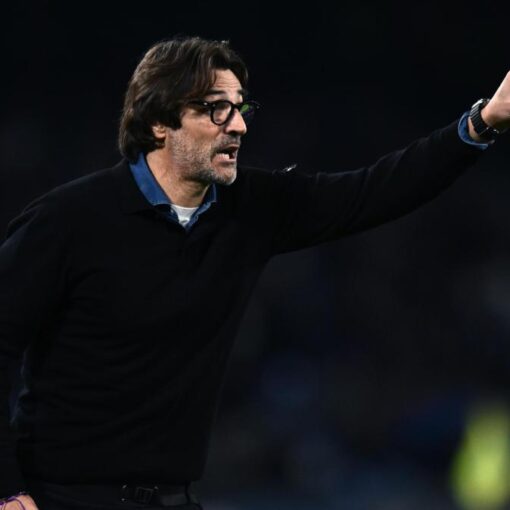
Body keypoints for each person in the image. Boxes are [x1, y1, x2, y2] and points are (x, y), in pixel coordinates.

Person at [0, 35, 509, 510]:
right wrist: (7, 491)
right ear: (158, 122)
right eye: (216, 109)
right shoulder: (67, 221)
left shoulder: (251, 209)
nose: (239, 126)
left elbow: (375, 191)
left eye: (240, 108)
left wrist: (483, 122)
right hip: (57, 497)